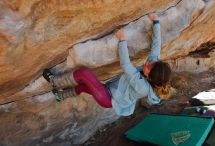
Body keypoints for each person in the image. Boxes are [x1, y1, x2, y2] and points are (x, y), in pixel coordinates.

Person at [43, 13, 172, 116]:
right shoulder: (154, 67)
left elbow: (126, 65)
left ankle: (54, 81)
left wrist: (122, 40)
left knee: (84, 74)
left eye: (148, 67)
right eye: (152, 62)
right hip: (110, 89)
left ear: (149, 78)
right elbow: (156, 47)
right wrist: (156, 22)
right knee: (83, 87)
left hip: (108, 99)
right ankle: (60, 96)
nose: (147, 63)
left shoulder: (143, 87)